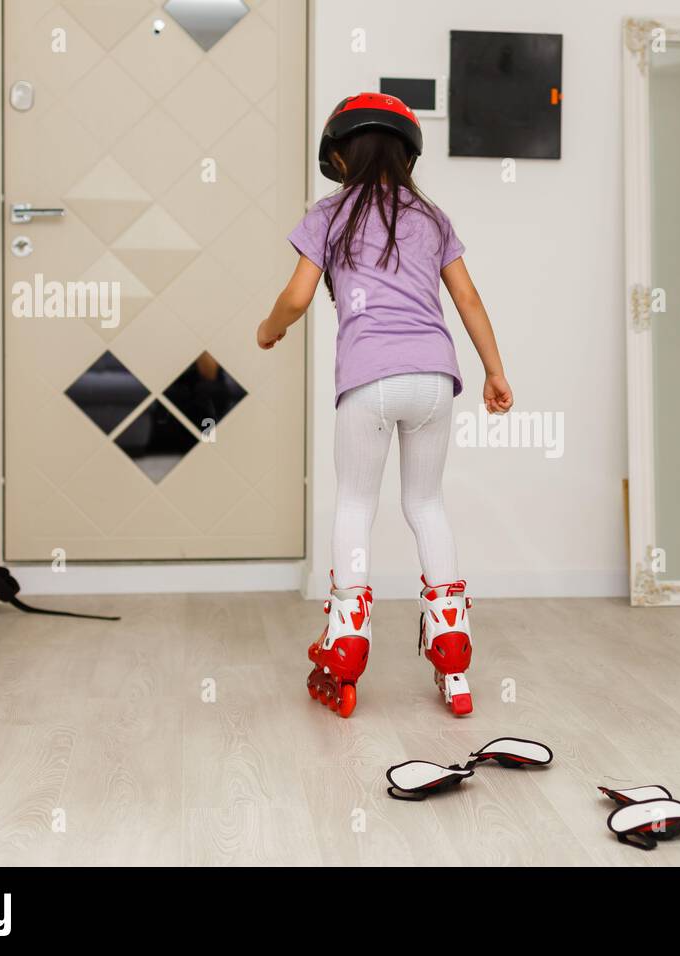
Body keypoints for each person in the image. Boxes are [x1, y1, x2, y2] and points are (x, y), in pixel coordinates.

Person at [256, 93, 512, 718]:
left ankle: (346, 639)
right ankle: (451, 646)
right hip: (434, 379)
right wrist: (494, 372)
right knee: (425, 503)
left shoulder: (328, 214)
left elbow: (296, 296)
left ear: (338, 157)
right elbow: (469, 300)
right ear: (407, 155)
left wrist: (270, 328)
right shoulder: (431, 217)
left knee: (355, 503)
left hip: (369, 381)